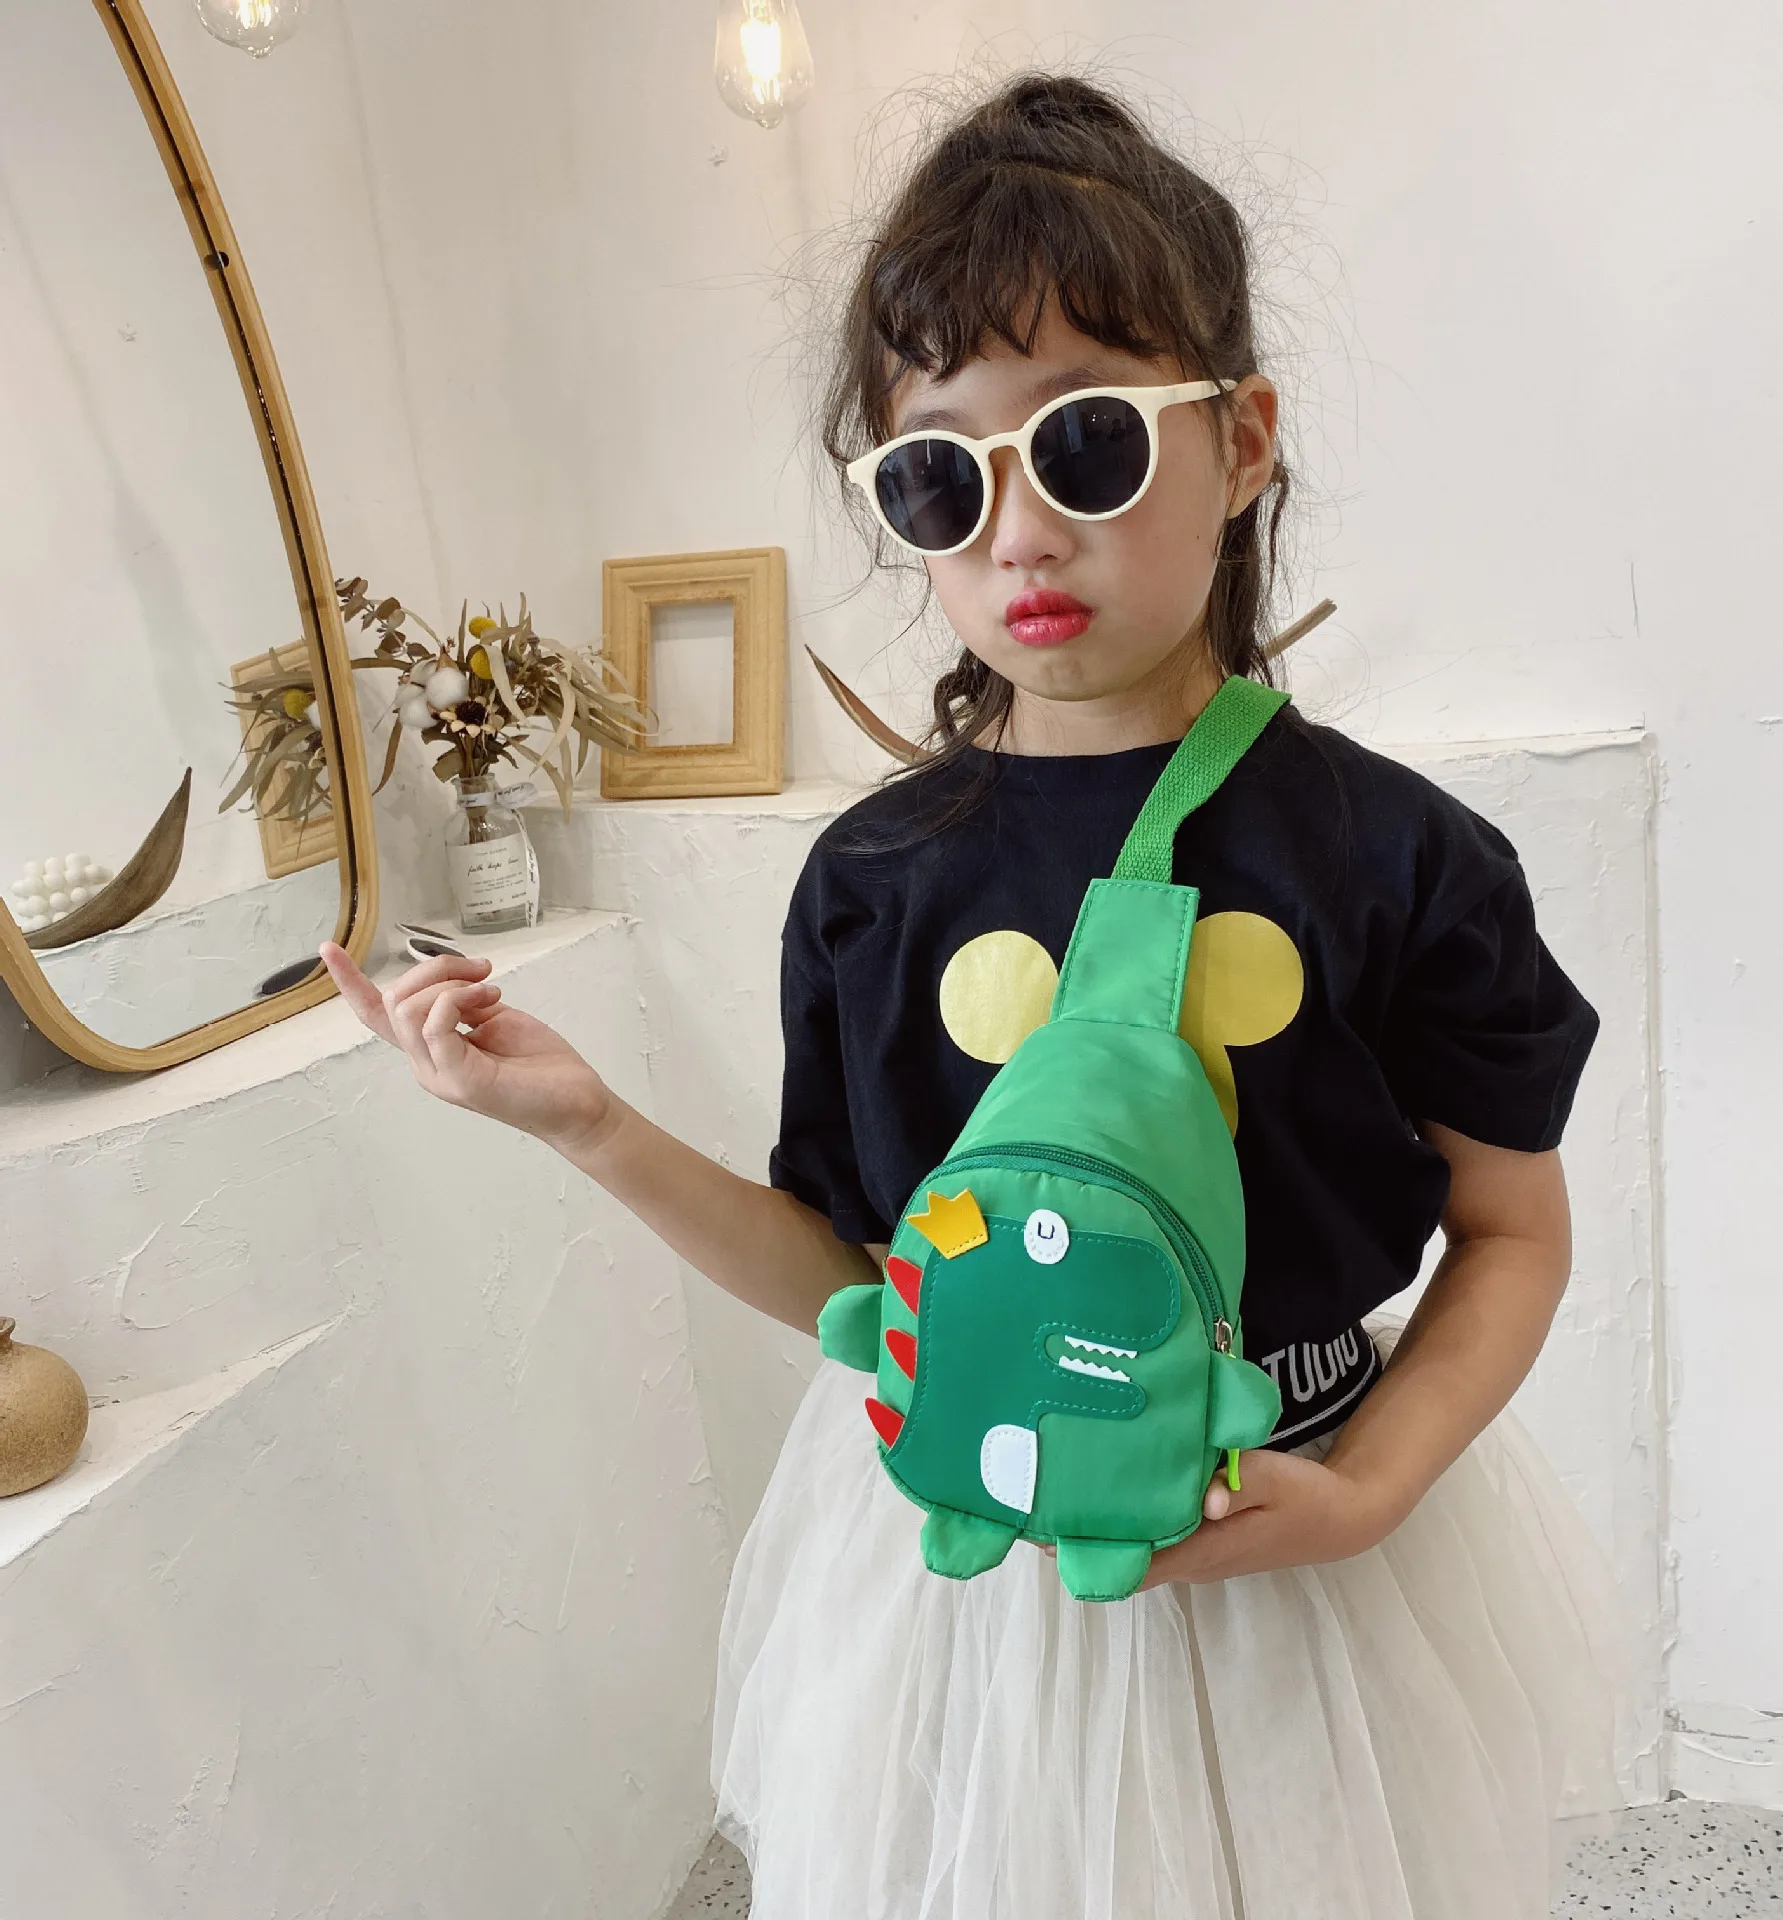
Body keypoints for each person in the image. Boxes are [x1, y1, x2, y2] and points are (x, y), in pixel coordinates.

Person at [323, 73, 1622, 1920]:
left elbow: (1511, 1230)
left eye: (1086, 442)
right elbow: (861, 1279)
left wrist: (1373, 1493)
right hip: (972, 1591)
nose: (1017, 532)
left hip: (1301, 1552)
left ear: (1244, 439)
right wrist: (587, 1123)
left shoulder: (1403, 860)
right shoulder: (876, 886)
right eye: (940, 473)